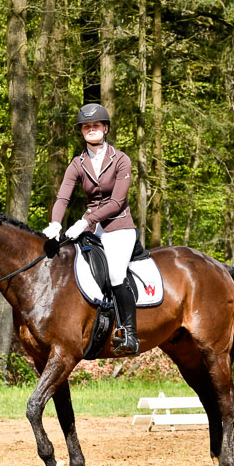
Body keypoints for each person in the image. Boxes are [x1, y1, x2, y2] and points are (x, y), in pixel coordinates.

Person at [43, 103, 139, 356]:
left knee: (116, 275)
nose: (91, 129)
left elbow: (116, 202)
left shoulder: (121, 160)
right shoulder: (78, 163)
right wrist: (55, 223)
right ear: (82, 131)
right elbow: (63, 197)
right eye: (86, 127)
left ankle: (130, 334)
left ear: (105, 129)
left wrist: (85, 221)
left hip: (119, 227)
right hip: (92, 229)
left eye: (96, 125)